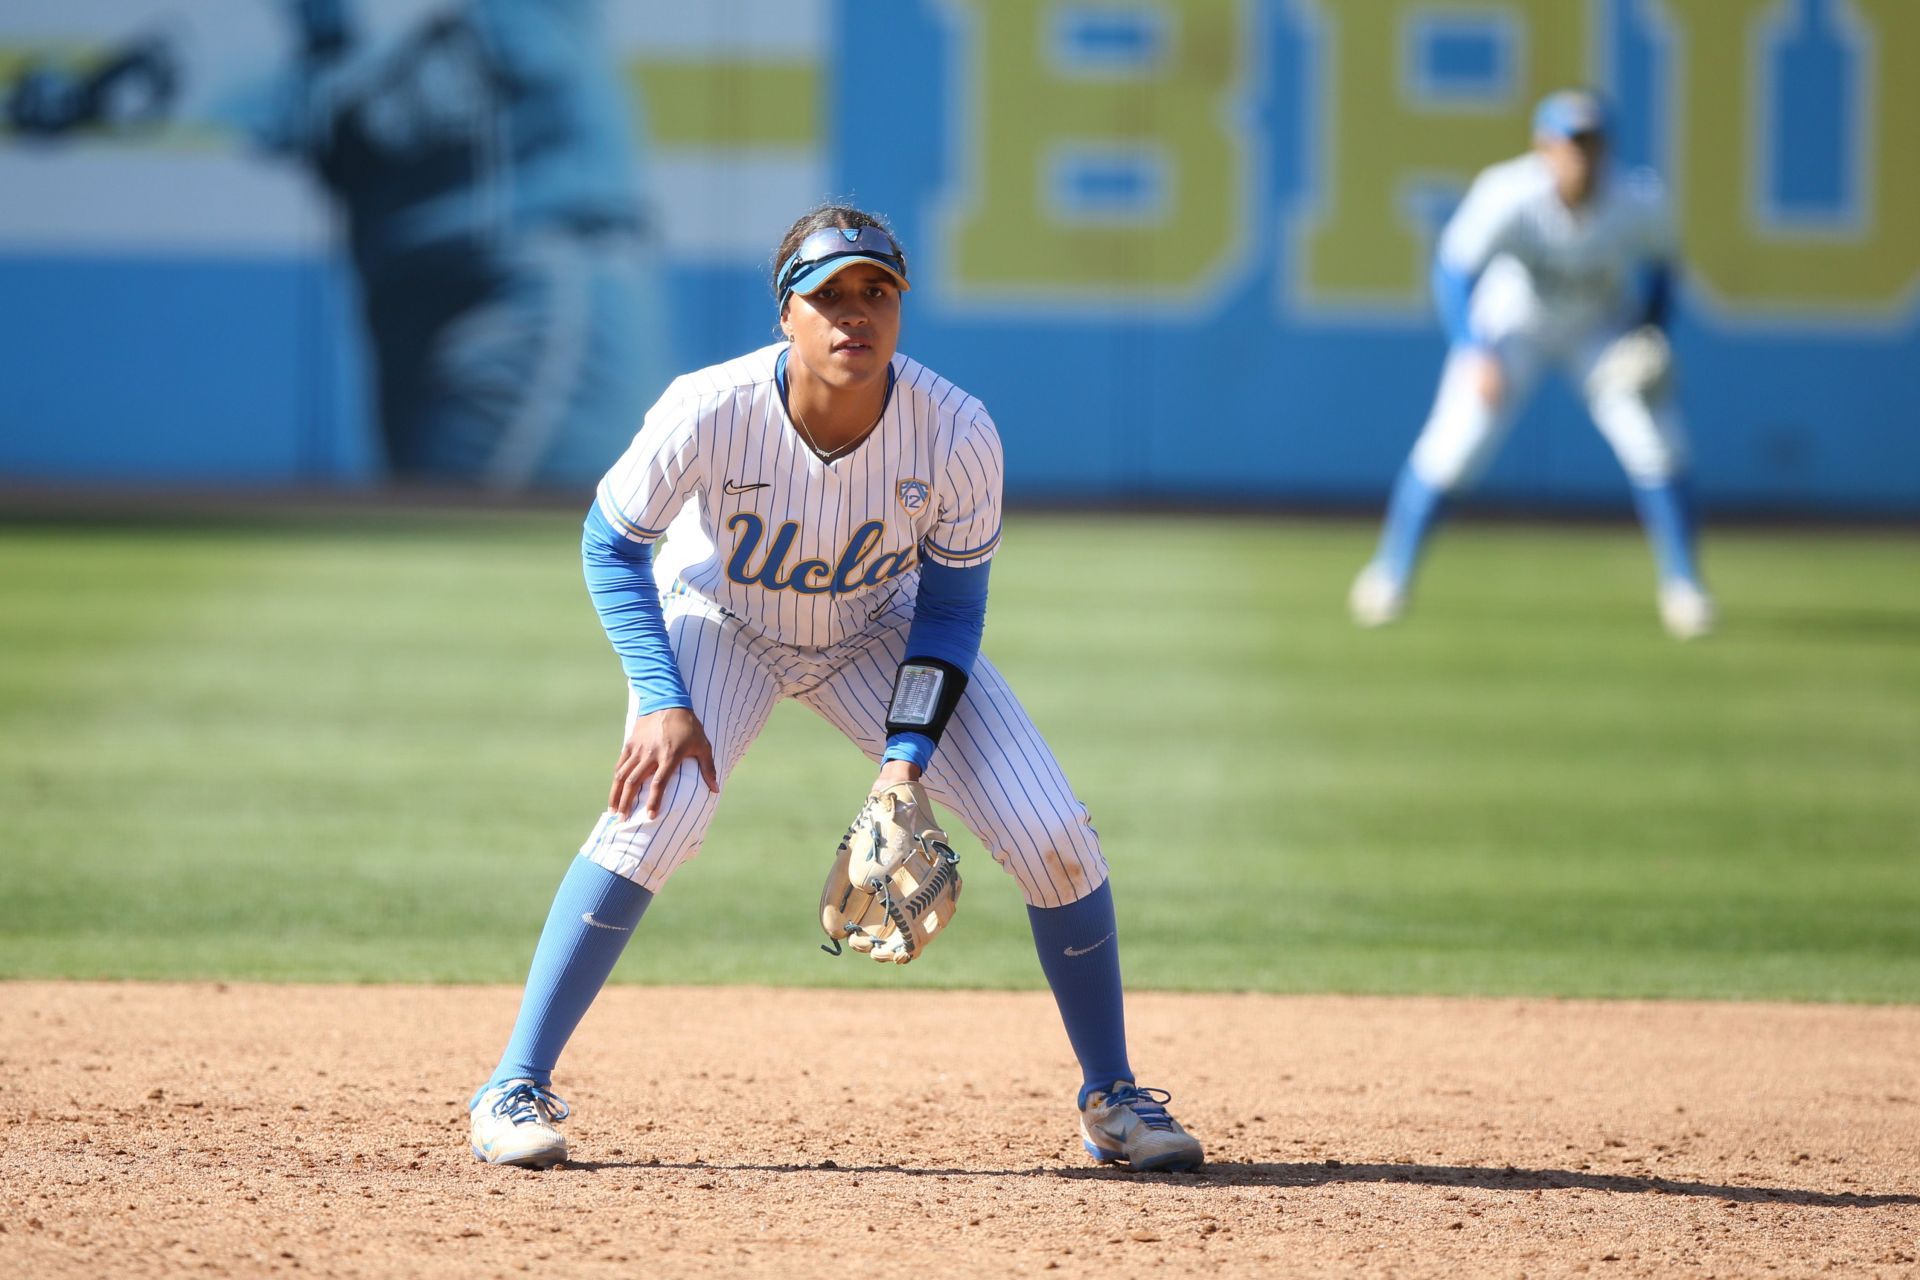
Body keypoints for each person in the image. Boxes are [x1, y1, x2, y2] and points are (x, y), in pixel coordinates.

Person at [465, 205, 1206, 1174]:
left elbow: (947, 613)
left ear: (900, 308)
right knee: (659, 814)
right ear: (787, 315)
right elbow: (612, 543)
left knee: (1052, 832)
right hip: (720, 620)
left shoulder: (955, 430)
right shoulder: (710, 405)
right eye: (829, 297)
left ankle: (1112, 1093)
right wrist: (660, 693)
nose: (855, 315)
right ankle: (512, 1083)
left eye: (877, 293)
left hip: (876, 627)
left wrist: (906, 763)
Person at [4, 0, 665, 491]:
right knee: (436, 548)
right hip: (411, 313)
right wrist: (99, 91)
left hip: (535, 292)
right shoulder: (325, 47)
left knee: (464, 548)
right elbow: (258, 72)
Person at [1349, 88, 1714, 639]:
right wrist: (1475, 349)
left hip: (1599, 324)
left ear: (1608, 147)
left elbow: (1663, 271)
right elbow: (1453, 271)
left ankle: (1684, 585)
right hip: (1514, 319)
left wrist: (1649, 334)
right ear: (1543, 146)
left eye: (1591, 144)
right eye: (1569, 143)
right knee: (1457, 445)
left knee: (1657, 443)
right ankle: (1389, 573)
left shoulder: (1638, 198)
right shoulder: (1508, 192)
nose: (1580, 156)